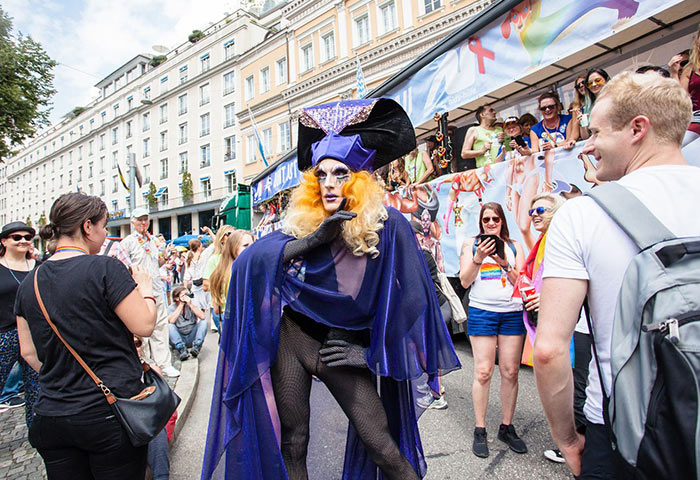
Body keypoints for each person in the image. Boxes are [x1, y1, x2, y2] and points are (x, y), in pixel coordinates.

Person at [202, 98, 460, 480]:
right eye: (320, 175)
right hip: (293, 338)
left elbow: (417, 308)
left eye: (340, 174)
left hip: (342, 346)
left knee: (382, 445)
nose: (328, 184)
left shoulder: (390, 228)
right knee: (293, 441)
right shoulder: (303, 226)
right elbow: (252, 264)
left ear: (359, 178)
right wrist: (315, 240)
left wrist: (369, 353)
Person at [533, 71, 700, 478]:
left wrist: (568, 441)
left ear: (637, 128)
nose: (588, 145)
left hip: (625, 431)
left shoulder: (583, 215)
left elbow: (549, 350)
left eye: (595, 132)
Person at [15, 192, 157, 479]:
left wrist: (64, 373)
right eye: (104, 226)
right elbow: (143, 325)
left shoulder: (31, 281)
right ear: (87, 226)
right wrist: (147, 289)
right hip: (107, 413)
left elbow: (28, 352)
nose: (106, 234)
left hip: (52, 413)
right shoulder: (104, 268)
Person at [459, 202, 527, 458]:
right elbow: (465, 281)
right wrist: (478, 258)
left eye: (495, 220)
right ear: (481, 222)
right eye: (486, 220)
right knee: (484, 371)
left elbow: (521, 281)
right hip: (482, 311)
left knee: (510, 371)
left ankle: (506, 428)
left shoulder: (513, 246)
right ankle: (480, 429)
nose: (490, 224)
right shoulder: (471, 244)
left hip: (511, 312)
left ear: (502, 222)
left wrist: (503, 262)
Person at [121, 208, 180, 378]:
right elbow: (124, 267)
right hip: (139, 292)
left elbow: (158, 262)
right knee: (142, 329)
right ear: (132, 222)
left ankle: (164, 363)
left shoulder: (154, 240)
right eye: (140, 220)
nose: (143, 223)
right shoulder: (128, 242)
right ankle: (146, 362)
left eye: (146, 220)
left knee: (161, 326)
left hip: (157, 288)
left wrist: (166, 256)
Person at [0, 221, 40, 425]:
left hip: (35, 334)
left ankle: (38, 430)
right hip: (4, 335)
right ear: (4, 241)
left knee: (36, 389)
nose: (23, 241)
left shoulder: (39, 266)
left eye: (27, 237)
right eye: (17, 237)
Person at [208, 230, 253, 320]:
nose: (251, 249)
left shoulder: (221, 271)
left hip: (232, 318)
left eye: (253, 245)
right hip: (239, 320)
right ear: (233, 248)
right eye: (245, 245)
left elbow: (216, 309)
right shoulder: (238, 272)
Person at [202, 225, 236, 332]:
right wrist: (223, 282)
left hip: (239, 307)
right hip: (223, 309)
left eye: (234, 234)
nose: (232, 237)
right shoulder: (215, 259)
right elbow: (205, 285)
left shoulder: (239, 257)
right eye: (229, 234)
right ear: (222, 239)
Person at [167, 285, 207, 360]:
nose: (186, 297)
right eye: (184, 295)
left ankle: (196, 347)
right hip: (179, 337)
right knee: (169, 326)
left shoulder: (192, 304)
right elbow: (171, 321)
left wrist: (191, 305)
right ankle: (182, 349)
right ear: (176, 298)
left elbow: (203, 317)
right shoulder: (171, 308)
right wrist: (181, 304)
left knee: (203, 322)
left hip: (192, 335)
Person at [680, 26, 700, 146]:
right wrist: (673, 72)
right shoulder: (689, 69)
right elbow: (681, 99)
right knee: (682, 144)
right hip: (696, 119)